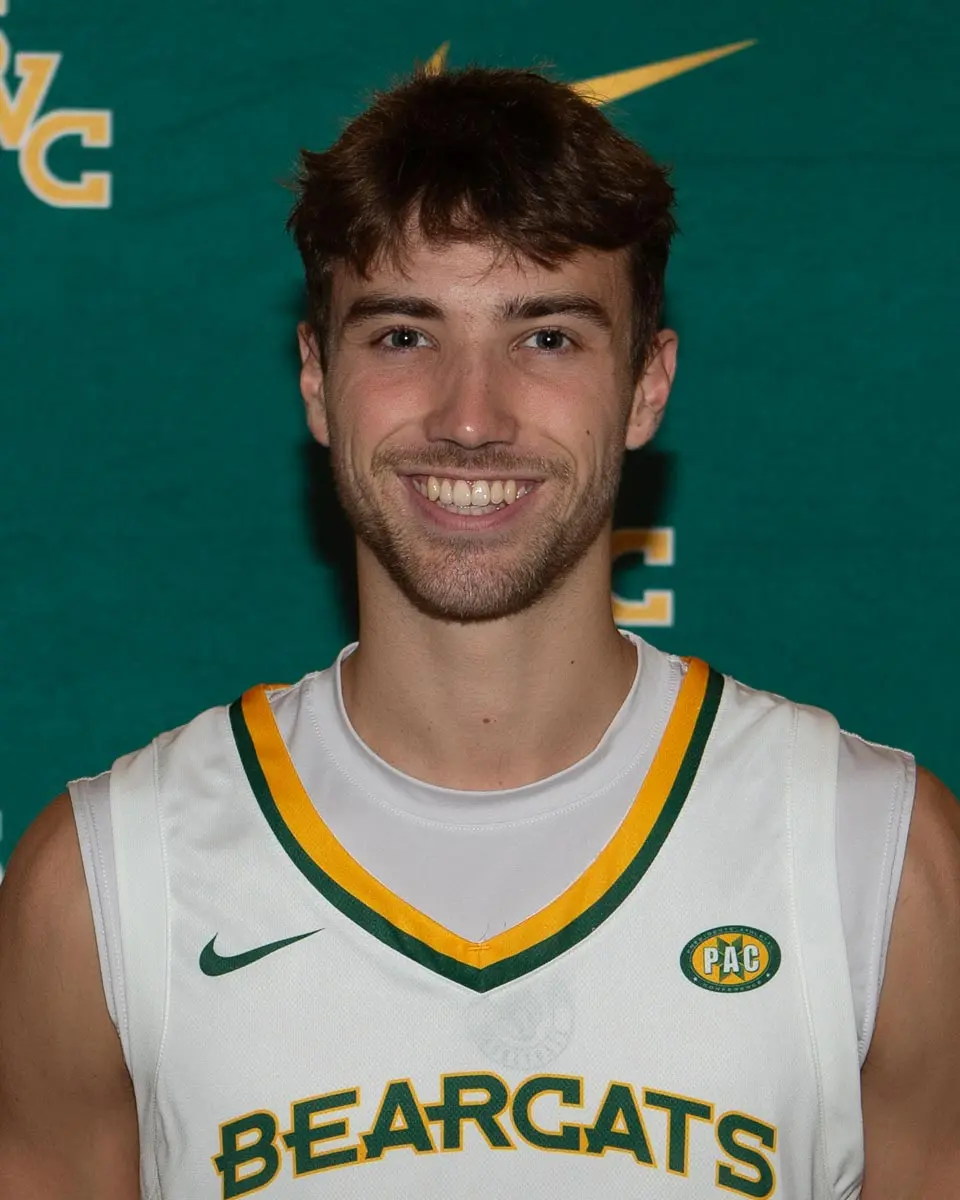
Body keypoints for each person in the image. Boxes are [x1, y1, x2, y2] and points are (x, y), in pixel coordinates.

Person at [1, 66, 958, 1200]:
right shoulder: (110, 884)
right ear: (316, 378)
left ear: (647, 384)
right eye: (404, 336)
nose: (469, 415)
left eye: (546, 338)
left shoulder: (874, 862)